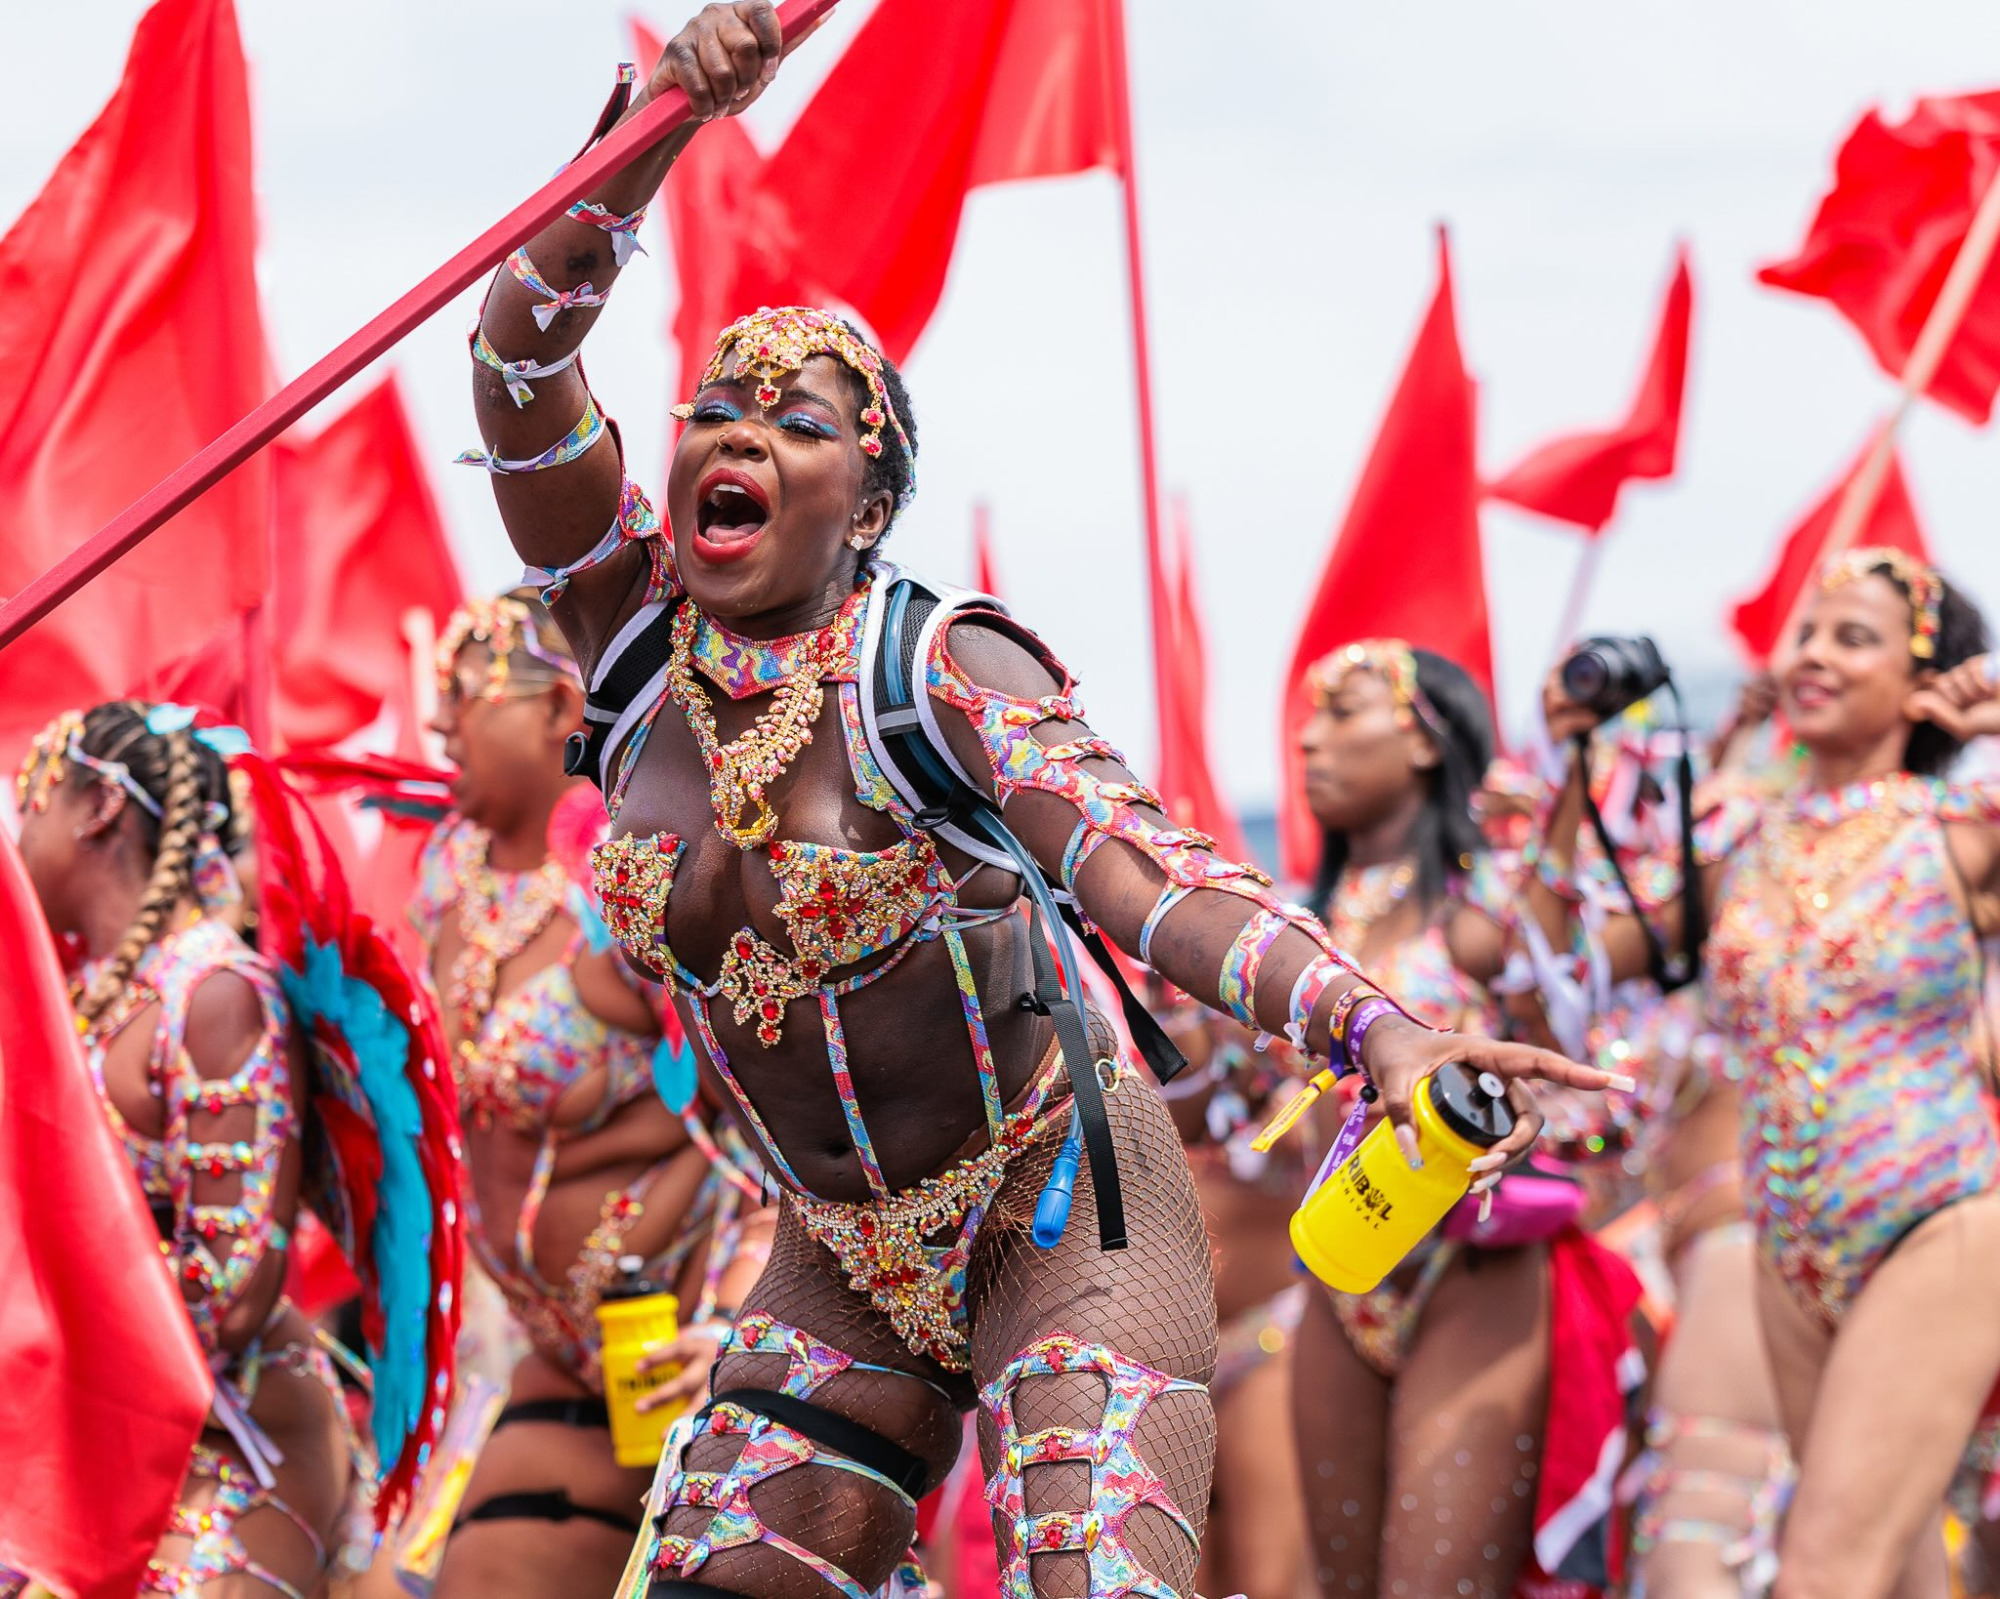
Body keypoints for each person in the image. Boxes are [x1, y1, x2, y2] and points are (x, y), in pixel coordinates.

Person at [459, 9, 1614, 1593]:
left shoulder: (931, 664)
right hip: (837, 1250)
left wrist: (1378, 1032)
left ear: (870, 503)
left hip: (1062, 1197)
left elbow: (1149, 873)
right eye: (718, 410)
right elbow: (517, 368)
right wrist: (659, 123)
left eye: (801, 422)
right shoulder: (630, 650)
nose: (741, 432)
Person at [1530, 548, 2000, 1599]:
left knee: (1822, 1574)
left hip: (1936, 1224)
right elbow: (1556, 973)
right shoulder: (1741, 839)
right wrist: (1572, 771)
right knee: (1899, 1578)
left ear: (1920, 679)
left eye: (1853, 638)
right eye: (1807, 633)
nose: (1813, 655)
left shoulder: (1959, 834)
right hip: (1787, 1248)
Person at [416, 593, 771, 1598]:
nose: (436, 722)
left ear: (558, 709)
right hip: (552, 1356)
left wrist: (737, 1330)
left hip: (683, 1351)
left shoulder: (634, 890)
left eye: (463, 693)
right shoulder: (445, 882)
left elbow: (780, 1133)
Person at [1283, 640, 1642, 1599]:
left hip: (1473, 1273)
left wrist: (1568, 767)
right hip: (1339, 1274)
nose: (1310, 739)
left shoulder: (1478, 911)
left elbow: (1551, 967)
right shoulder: (1289, 936)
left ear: (1426, 742)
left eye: (1344, 712)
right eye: (1312, 717)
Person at [15, 704, 356, 1595]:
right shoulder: (82, 994)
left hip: (232, 1444)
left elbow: (229, 1294)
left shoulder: (212, 989)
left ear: (98, 807)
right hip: (102, 1441)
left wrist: (38, 1329)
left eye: (31, 797)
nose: (15, 827)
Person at [1153, 994, 1312, 1599]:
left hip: (1272, 1334)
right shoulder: (1105, 974)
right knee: (1158, 1579)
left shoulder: (1313, 991)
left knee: (1266, 1582)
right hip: (1155, 1357)